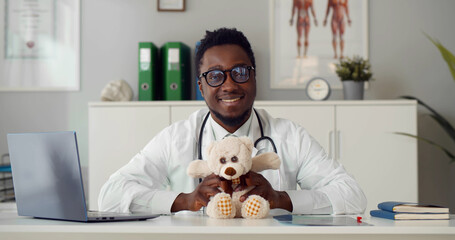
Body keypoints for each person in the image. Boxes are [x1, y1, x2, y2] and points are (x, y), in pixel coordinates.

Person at [98, 28, 366, 215]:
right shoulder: (177, 137)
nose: (228, 85)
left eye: (239, 72)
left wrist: (280, 199)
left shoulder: (289, 135)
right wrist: (185, 200)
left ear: (254, 78)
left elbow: (353, 196)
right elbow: (109, 196)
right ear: (201, 87)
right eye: (215, 76)